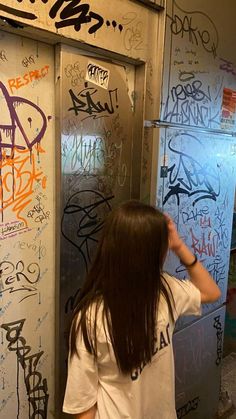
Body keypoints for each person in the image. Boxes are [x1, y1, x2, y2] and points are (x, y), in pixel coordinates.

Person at [63, 200, 221, 419]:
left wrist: (179, 246)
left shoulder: (165, 290)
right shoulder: (91, 319)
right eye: (164, 246)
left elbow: (211, 292)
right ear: (149, 254)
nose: (166, 250)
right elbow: (82, 407)